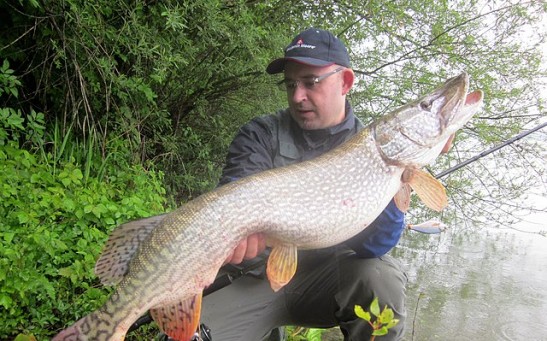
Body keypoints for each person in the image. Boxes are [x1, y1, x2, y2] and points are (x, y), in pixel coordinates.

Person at [200, 28, 446, 341]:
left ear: (345, 82)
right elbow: (234, 198)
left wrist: (399, 179)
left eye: (310, 82)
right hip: (255, 276)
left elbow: (374, 247)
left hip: (326, 280)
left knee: (380, 282)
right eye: (291, 84)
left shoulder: (372, 146)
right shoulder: (260, 134)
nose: (297, 96)